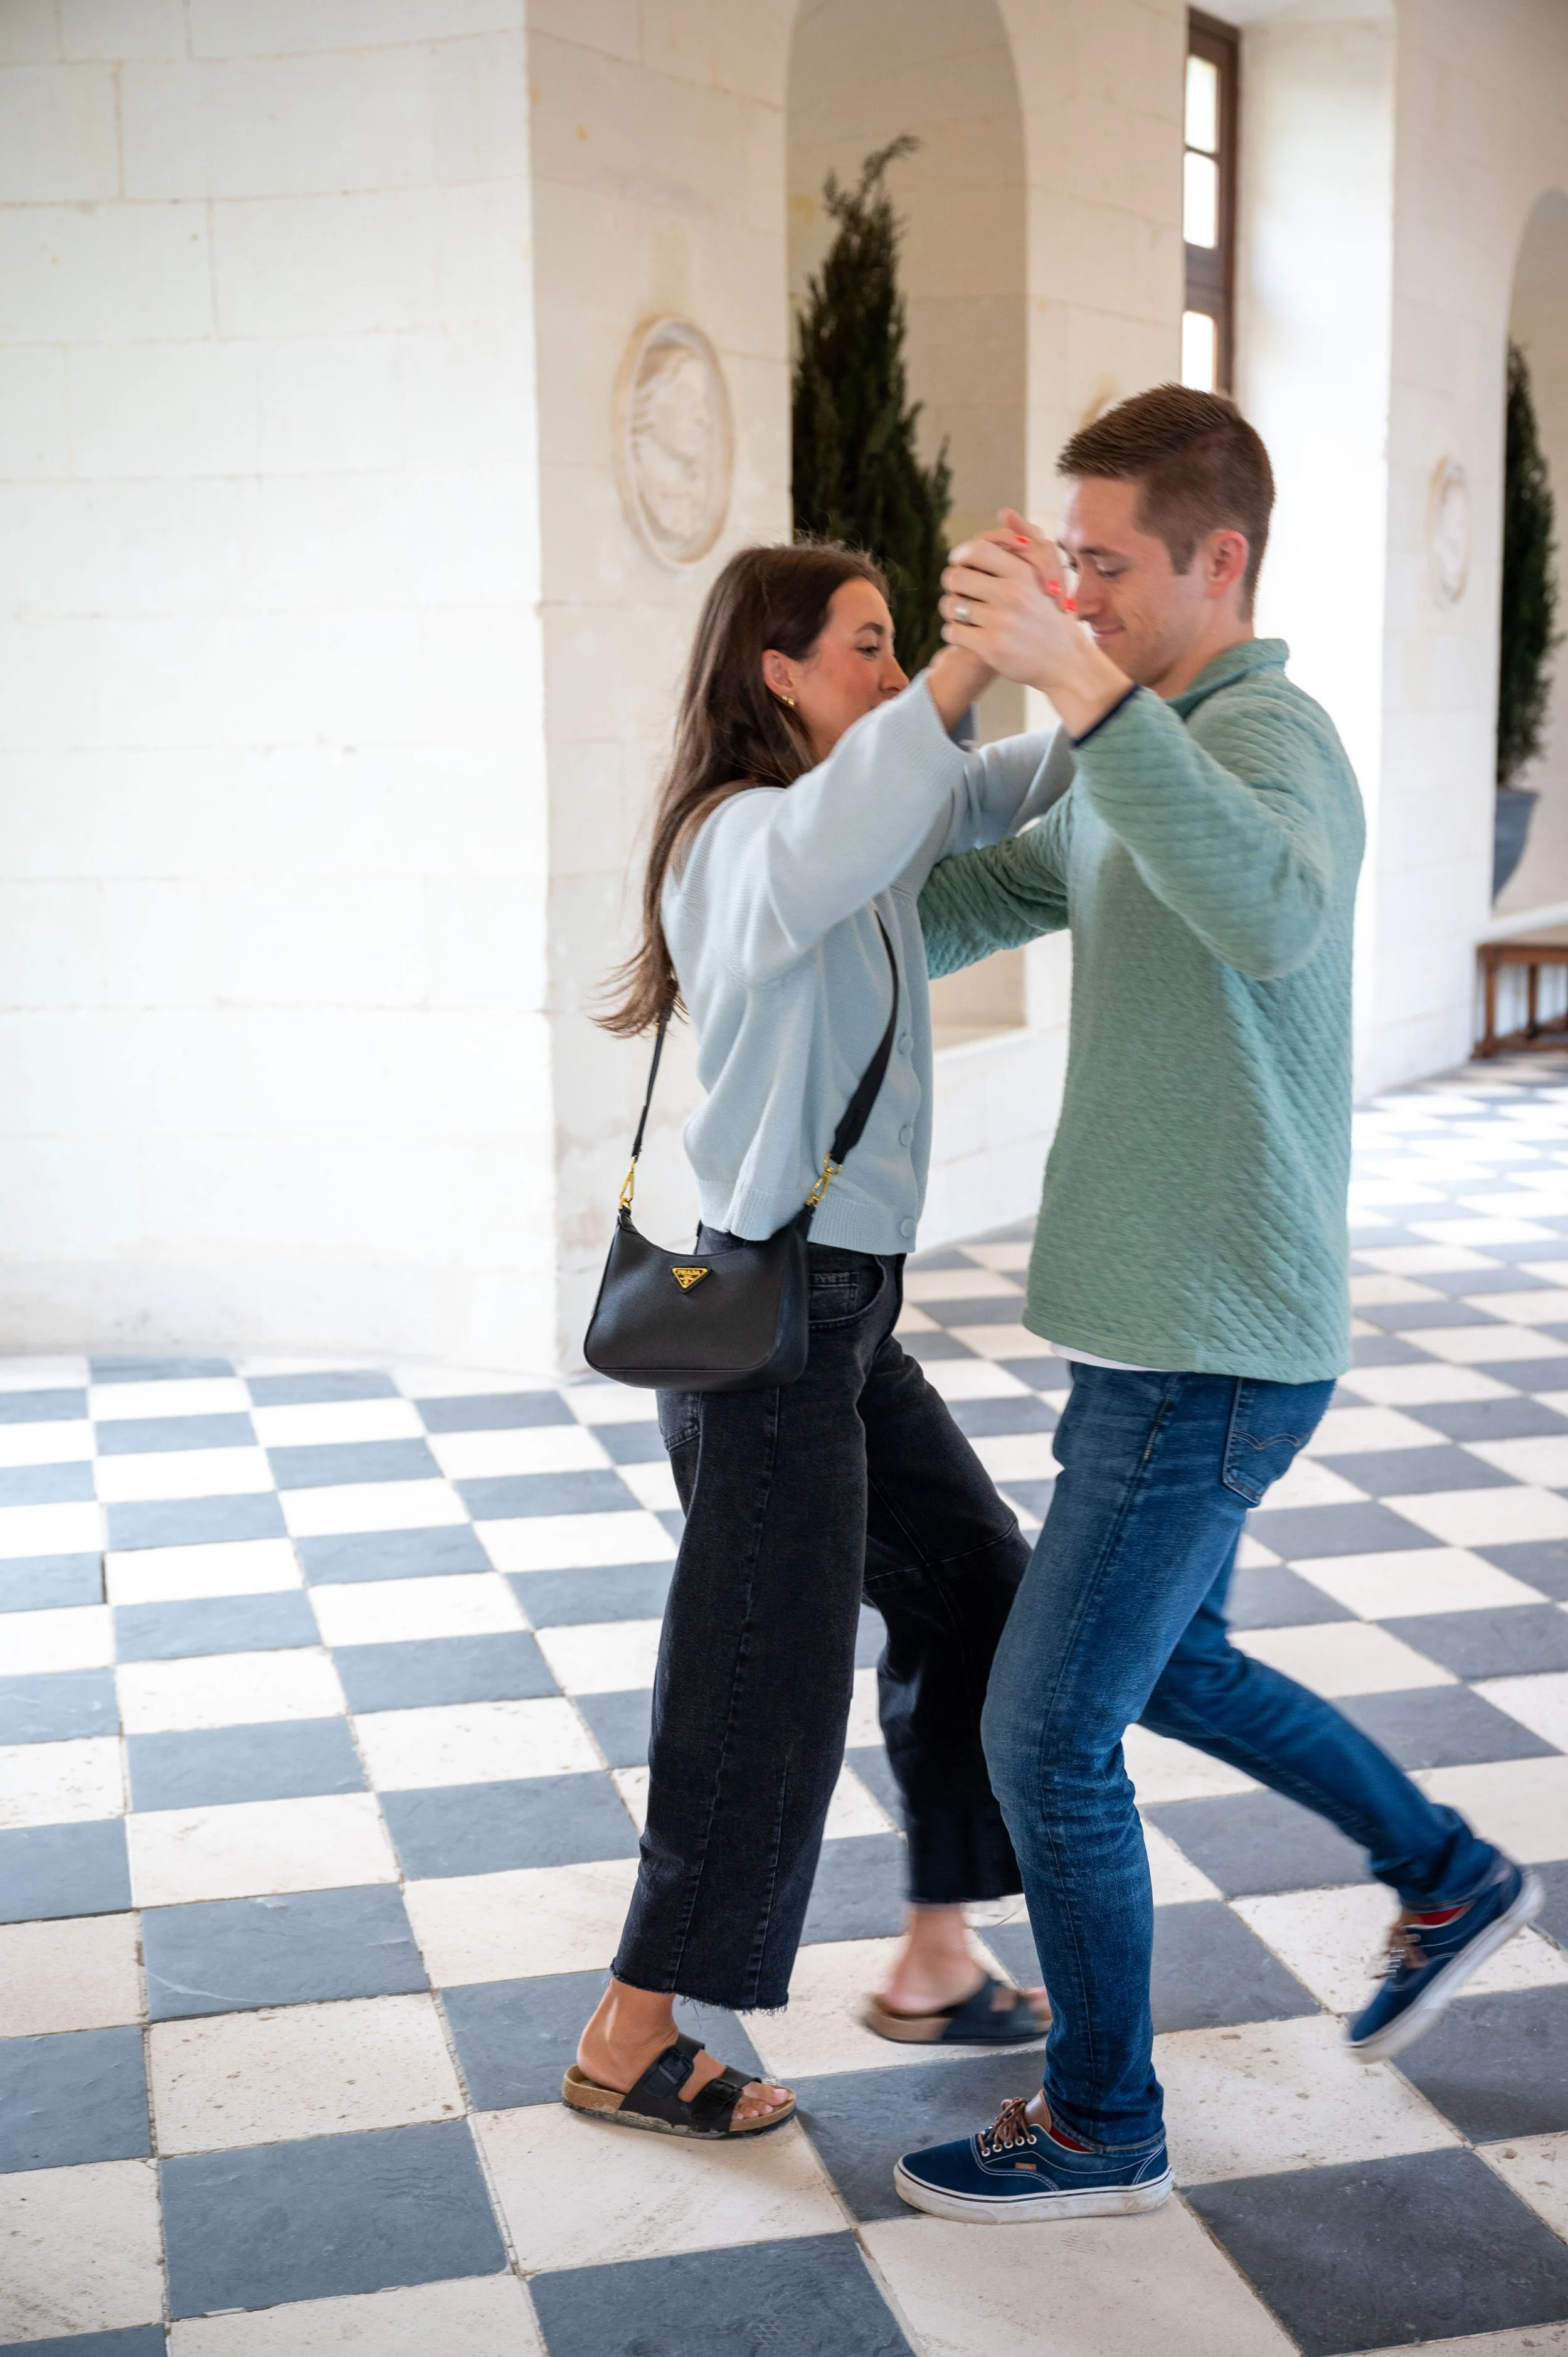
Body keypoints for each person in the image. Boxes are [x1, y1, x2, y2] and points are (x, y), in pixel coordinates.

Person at [893, 386, 1541, 2223]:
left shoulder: (1276, 740)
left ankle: (1103, 2118)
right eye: (1067, 560)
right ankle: (1441, 1870)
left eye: (1105, 565)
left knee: (1043, 1733)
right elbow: (971, 900)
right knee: (1169, 1664)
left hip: (1212, 1339)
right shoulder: (1143, 739)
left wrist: (1077, 695)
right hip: (1162, 1325)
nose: (1077, 594)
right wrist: (822, 816)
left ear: (1217, 558)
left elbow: (1264, 907)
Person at [564, 540, 1074, 2144]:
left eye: (891, 643)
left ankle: (934, 1949)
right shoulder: (740, 842)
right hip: (775, 1320)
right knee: (756, 1679)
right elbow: (878, 802)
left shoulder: (848, 821)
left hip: (848, 1321)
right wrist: (974, 662)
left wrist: (1097, 661)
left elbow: (993, 788)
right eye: (860, 644)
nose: (886, 663)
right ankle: (633, 2030)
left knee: (973, 1587)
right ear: (776, 673)